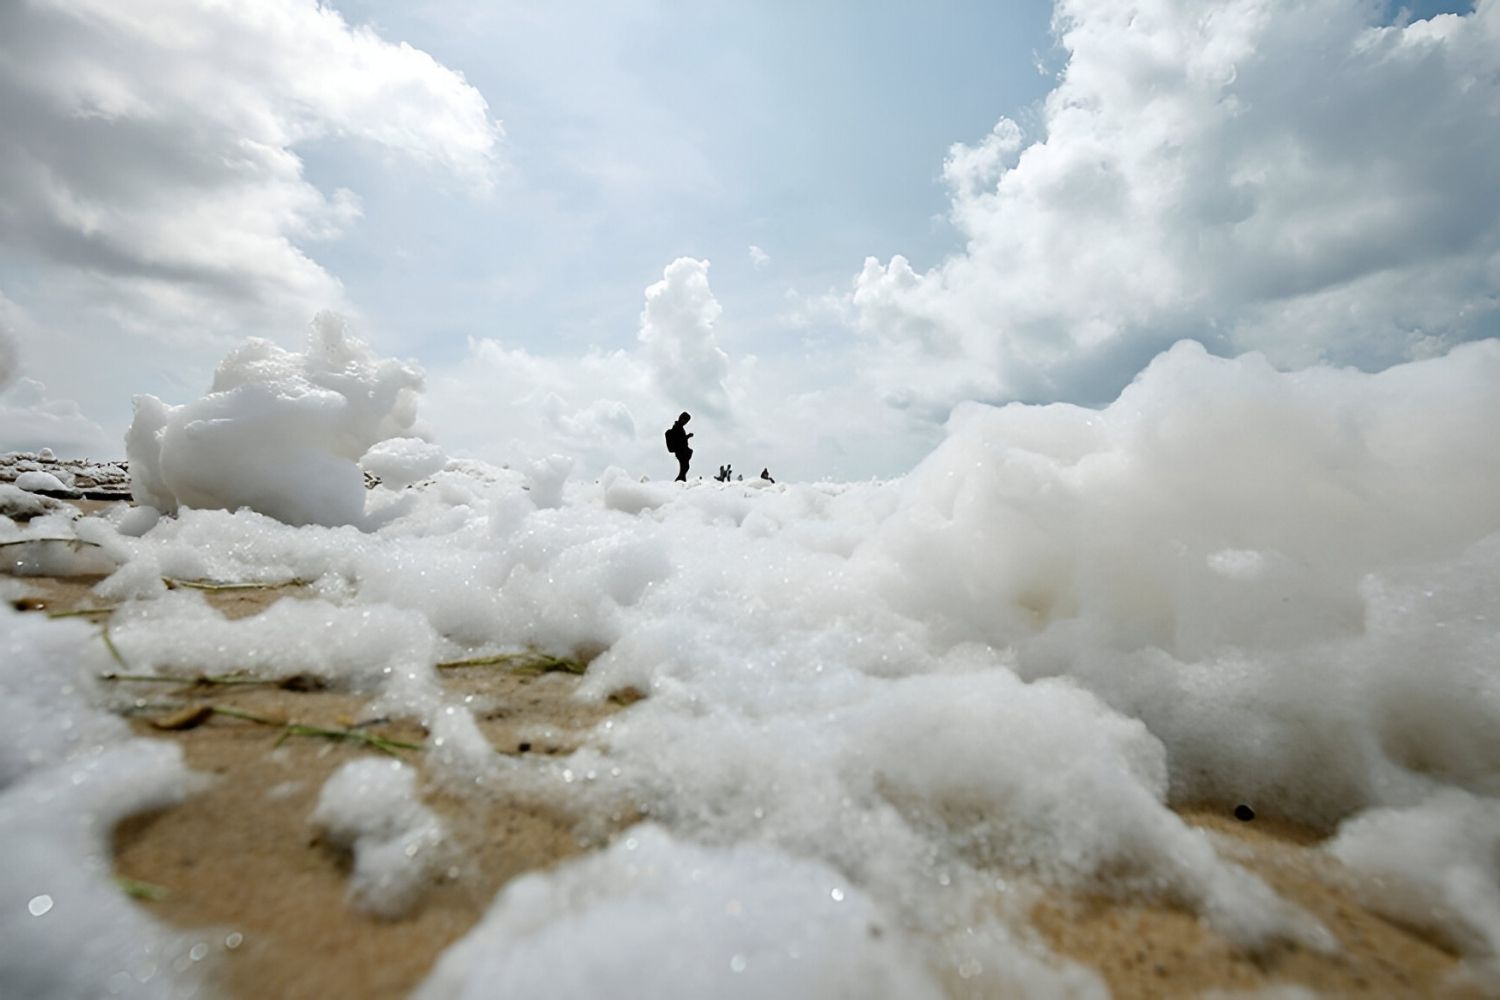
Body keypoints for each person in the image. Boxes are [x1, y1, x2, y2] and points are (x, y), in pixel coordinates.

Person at [665, 412, 693, 482]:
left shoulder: (679, 427)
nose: (686, 422)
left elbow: (681, 439)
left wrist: (687, 437)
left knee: (685, 467)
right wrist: (687, 436)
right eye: (685, 420)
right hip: (681, 451)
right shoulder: (677, 427)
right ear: (681, 419)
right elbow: (679, 440)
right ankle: (679, 482)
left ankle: (681, 481)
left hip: (682, 451)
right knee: (685, 467)